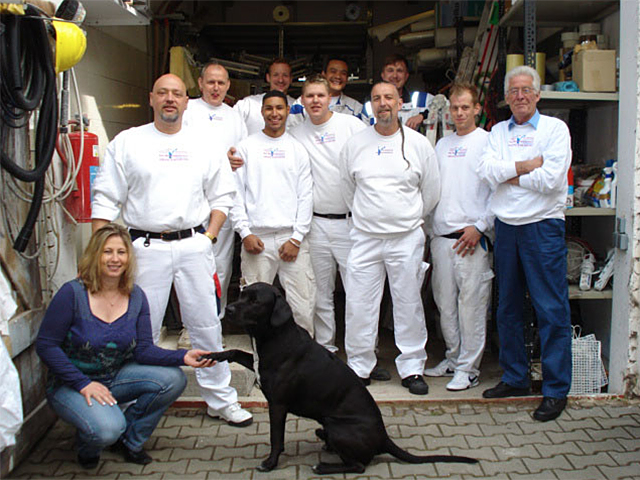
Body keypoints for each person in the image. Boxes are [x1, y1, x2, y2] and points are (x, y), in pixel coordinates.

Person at [91, 74, 253, 427]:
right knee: (139, 328)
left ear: (185, 101)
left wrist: (208, 236)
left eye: (176, 94)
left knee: (206, 325)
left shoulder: (203, 144)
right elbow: (105, 199)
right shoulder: (128, 143)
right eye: (162, 93)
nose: (169, 99)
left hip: (194, 246)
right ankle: (134, 398)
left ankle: (220, 399)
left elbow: (223, 195)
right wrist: (99, 257)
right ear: (151, 99)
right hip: (144, 249)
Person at [35, 223, 217, 468]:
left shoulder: (136, 296)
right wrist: (83, 383)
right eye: (107, 252)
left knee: (173, 380)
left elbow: (143, 350)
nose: (115, 259)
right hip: (71, 383)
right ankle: (89, 445)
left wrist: (183, 357)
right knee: (107, 429)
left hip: (114, 376)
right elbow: (46, 346)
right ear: (94, 255)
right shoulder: (72, 294)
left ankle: (130, 440)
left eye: (121, 252)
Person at [477, 65, 572, 422]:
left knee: (550, 310)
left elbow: (550, 180)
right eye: (513, 90)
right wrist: (526, 166)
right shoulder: (497, 131)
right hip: (507, 228)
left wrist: (508, 174)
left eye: (526, 90)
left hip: (542, 227)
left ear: (537, 94)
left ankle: (555, 388)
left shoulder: (555, 130)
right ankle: (516, 378)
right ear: (506, 96)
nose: (520, 96)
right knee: (508, 309)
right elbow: (486, 171)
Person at [339, 81, 440, 395]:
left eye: (389, 98)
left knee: (408, 304)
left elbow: (431, 192)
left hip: (405, 238)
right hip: (365, 238)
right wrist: (371, 215)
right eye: (376, 99)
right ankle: (359, 367)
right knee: (359, 305)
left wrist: (405, 217)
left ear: (400, 103)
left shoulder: (419, 144)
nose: (383, 103)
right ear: (371, 105)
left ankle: (411, 368)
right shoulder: (355, 144)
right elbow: (347, 190)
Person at [289, 75, 366, 353]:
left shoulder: (352, 126)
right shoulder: (295, 134)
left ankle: (361, 354)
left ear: (330, 97)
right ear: (302, 100)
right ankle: (326, 350)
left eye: (320, 95)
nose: (315, 101)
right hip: (316, 224)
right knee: (321, 295)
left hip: (351, 223)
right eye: (309, 96)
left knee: (357, 293)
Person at [230, 90, 316, 334]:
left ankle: (303, 369)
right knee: (254, 313)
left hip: (293, 240)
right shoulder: (246, 148)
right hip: (256, 240)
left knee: (303, 308)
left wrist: (297, 237)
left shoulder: (297, 149)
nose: (274, 113)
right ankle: (262, 369)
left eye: (280, 108)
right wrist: (245, 233)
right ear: (262, 111)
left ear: (288, 111)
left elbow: (305, 196)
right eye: (269, 108)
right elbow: (236, 194)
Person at [426, 83, 494, 391]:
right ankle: (453, 358)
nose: (459, 113)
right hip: (442, 236)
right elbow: (433, 190)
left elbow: (499, 191)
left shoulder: (489, 143)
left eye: (466, 107)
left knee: (472, 305)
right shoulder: (441, 144)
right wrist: (430, 232)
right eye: (455, 108)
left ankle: (469, 367)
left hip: (472, 238)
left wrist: (480, 226)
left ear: (477, 109)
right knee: (445, 304)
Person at [183, 62, 248, 318]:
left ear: (228, 86)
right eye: (210, 82)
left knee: (220, 264)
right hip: (192, 199)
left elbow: (240, 155)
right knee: (193, 262)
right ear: (200, 83)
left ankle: (215, 318)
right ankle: (192, 322)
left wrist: (234, 160)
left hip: (224, 200)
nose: (215, 88)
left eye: (221, 83)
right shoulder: (187, 110)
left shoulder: (234, 116)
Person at [233, 58, 301, 135]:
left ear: (291, 79)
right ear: (268, 78)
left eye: (285, 75)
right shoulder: (248, 104)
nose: (280, 80)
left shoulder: (297, 107)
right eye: (276, 75)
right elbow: (230, 129)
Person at [362, 54, 428, 130]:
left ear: (406, 76)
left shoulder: (421, 99)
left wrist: (422, 116)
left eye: (399, 71)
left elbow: (442, 111)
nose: (395, 76)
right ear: (383, 75)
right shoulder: (369, 106)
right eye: (390, 70)